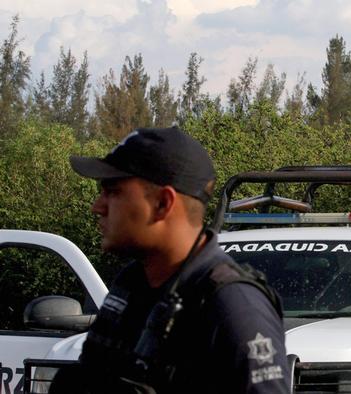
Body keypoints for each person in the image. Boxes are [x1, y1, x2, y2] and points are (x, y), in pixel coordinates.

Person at [50, 127, 290, 393]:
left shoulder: (234, 307)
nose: (98, 206)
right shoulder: (131, 284)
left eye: (113, 191)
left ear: (163, 203)